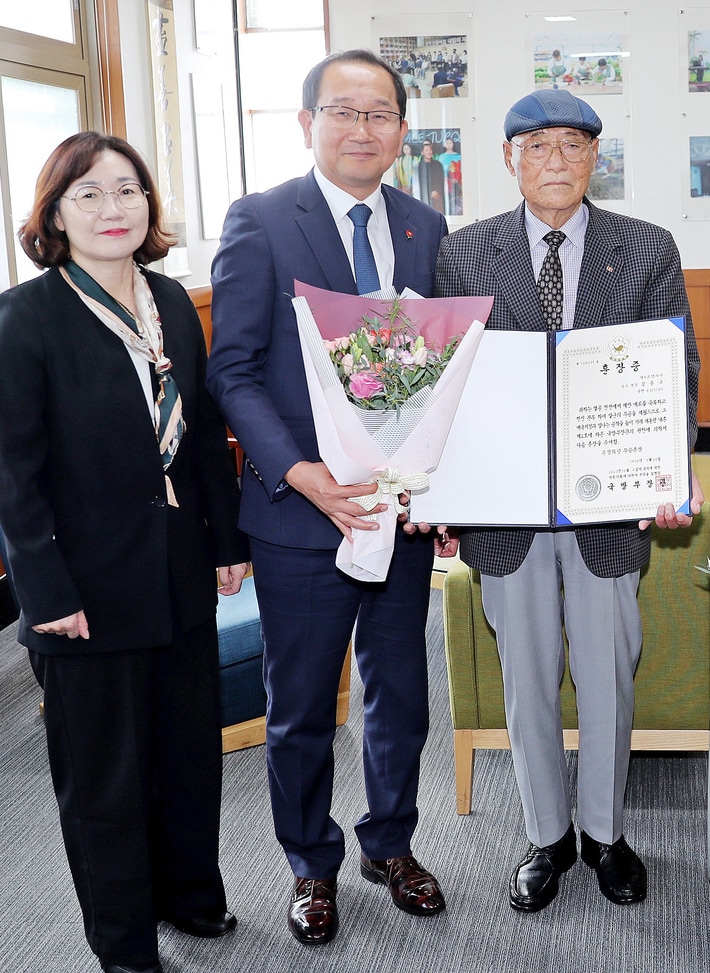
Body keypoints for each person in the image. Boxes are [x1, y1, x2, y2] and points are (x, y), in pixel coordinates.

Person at [434, 88, 702, 914]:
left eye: (574, 146)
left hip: (607, 508)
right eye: (538, 146)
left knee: (607, 672)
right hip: (508, 512)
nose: (556, 161)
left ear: (597, 158)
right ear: (510, 159)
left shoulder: (645, 246)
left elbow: (675, 371)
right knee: (526, 677)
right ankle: (547, 835)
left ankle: (606, 832)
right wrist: (443, 486)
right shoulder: (465, 251)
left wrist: (669, 471)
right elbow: (449, 383)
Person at [207, 50, 451, 947]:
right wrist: (302, 476)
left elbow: (440, 371)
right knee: (303, 704)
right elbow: (230, 371)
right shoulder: (261, 220)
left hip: (397, 511)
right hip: (299, 515)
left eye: (380, 114)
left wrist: (443, 486)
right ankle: (312, 864)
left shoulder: (426, 224)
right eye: (343, 112)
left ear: (400, 130)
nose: (362, 129)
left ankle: (391, 843)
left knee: (402, 696)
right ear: (306, 122)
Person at [0, 132, 249, 973]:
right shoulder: (23, 318)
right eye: (90, 195)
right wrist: (44, 592)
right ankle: (124, 941)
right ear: (55, 216)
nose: (115, 210)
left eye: (129, 191)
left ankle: (188, 893)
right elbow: (13, 478)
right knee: (104, 779)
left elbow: (205, 435)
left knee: (186, 750)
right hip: (84, 585)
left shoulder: (173, 301)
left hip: (177, 565)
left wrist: (226, 539)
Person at [417, 141, 446, 213]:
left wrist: (437, 190)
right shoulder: (419, 166)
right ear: (422, 152)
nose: (429, 152)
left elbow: (441, 180)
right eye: (426, 150)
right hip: (422, 196)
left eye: (430, 150)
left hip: (436, 196)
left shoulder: (438, 164)